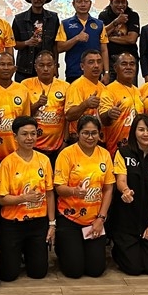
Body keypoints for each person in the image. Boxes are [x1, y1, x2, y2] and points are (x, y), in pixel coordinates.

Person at [0, 117, 56, 281]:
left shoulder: (44, 160)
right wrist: (24, 198)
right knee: (9, 275)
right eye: (24, 134)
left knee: (38, 273)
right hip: (13, 224)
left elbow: (50, 194)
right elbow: (2, 199)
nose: (29, 138)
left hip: (38, 222)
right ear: (15, 137)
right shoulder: (7, 163)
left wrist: (52, 223)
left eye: (33, 134)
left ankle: (27, 253)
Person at [54, 115, 115, 278]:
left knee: (96, 270)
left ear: (99, 134)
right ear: (78, 133)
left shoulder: (104, 154)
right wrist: (73, 191)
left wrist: (101, 219)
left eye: (94, 133)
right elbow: (59, 188)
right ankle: (62, 246)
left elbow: (108, 189)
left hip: (94, 220)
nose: (90, 137)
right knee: (74, 271)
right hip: (70, 219)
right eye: (85, 133)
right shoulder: (66, 154)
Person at [111, 114, 148, 276]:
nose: (145, 134)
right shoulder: (123, 153)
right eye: (141, 130)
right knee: (133, 268)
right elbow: (121, 180)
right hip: (126, 222)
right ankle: (119, 249)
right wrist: (125, 191)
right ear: (134, 132)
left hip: (147, 223)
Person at [22, 51, 68, 162]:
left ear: (55, 66)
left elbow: (68, 117)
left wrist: (65, 141)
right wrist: (37, 104)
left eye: (49, 65)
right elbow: (22, 117)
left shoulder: (65, 86)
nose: (46, 69)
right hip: (32, 146)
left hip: (58, 146)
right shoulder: (25, 85)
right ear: (35, 67)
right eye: (41, 65)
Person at [56, 0, 110, 83]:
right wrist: (76, 38)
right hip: (73, 72)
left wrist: (106, 72)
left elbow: (104, 50)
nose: (83, 4)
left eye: (86, 1)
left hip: (95, 73)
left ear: (90, 3)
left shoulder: (99, 24)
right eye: (79, 1)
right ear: (73, 4)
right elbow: (59, 48)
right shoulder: (65, 24)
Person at [12, 0, 60, 82]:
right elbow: (14, 44)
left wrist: (55, 65)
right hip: (24, 69)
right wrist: (26, 43)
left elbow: (55, 44)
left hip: (46, 69)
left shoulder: (53, 18)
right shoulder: (19, 19)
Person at [99, 52, 144, 157]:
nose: (128, 67)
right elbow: (104, 119)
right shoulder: (108, 90)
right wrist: (109, 114)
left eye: (132, 64)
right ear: (115, 68)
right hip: (116, 151)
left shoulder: (139, 91)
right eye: (124, 64)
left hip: (138, 150)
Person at [98, 0, 141, 83]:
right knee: (110, 89)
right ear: (111, 3)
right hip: (110, 59)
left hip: (129, 59)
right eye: (117, 2)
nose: (120, 5)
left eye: (123, 2)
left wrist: (109, 38)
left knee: (130, 88)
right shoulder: (104, 16)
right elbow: (100, 35)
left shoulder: (133, 15)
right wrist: (116, 22)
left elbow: (131, 39)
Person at [64, 49, 107, 143]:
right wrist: (85, 104)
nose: (96, 65)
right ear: (82, 66)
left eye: (99, 62)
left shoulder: (104, 88)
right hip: (80, 140)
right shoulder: (76, 86)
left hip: (99, 139)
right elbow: (69, 116)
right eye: (91, 62)